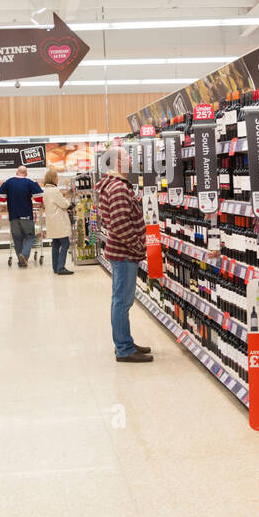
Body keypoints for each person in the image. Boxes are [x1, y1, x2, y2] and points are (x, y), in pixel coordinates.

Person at [95, 151, 152, 362]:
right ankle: (124, 348)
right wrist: (137, 246)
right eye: (128, 159)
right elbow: (120, 224)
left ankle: (124, 340)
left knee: (121, 300)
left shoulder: (113, 185)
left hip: (121, 252)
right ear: (119, 163)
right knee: (122, 301)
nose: (131, 162)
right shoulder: (118, 188)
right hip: (125, 253)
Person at [0, 165, 42, 268]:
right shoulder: (30, 182)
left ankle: (21, 261)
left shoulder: (8, 182)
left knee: (17, 239)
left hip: (14, 216)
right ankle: (24, 256)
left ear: (16, 172)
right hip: (26, 216)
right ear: (26, 173)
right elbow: (40, 197)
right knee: (30, 236)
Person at [41, 169, 73, 275]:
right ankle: (61, 267)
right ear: (53, 178)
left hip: (52, 221)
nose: (57, 179)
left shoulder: (46, 190)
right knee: (65, 243)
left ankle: (55, 267)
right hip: (59, 221)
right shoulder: (54, 190)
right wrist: (69, 203)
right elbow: (63, 204)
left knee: (55, 244)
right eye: (56, 177)